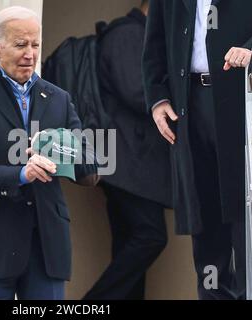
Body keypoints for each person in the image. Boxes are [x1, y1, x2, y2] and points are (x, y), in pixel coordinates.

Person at [0, 6, 98, 300]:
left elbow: (91, 170)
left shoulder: (59, 98)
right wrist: (21, 174)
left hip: (46, 248)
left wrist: (58, 146)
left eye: (35, 45)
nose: (30, 53)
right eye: (20, 45)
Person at [142, 0, 252, 299]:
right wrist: (157, 97)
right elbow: (155, 37)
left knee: (248, 216)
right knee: (205, 222)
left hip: (242, 100)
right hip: (189, 104)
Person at [83, 0, 172, 300]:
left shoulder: (139, 35)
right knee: (150, 236)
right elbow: (137, 91)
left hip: (129, 162)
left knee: (128, 241)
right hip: (126, 163)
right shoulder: (128, 34)